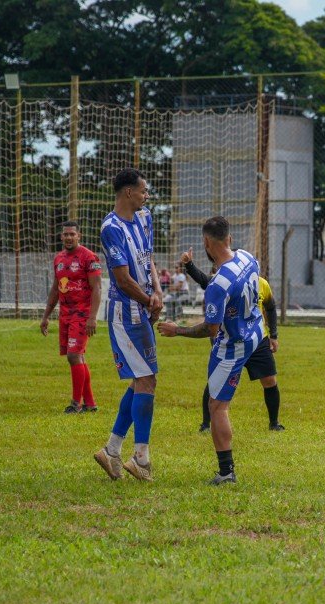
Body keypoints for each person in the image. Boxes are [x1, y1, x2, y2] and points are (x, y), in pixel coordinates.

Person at [158, 216, 263, 485]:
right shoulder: (247, 257)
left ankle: (226, 472)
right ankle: (226, 471)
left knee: (217, 406)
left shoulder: (218, 285)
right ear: (229, 238)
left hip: (233, 346)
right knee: (218, 402)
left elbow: (211, 328)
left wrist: (177, 330)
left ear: (206, 242)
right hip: (255, 331)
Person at [92, 168, 163, 482]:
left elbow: (148, 259)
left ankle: (111, 450)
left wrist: (157, 292)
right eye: (143, 190)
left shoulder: (145, 218)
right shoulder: (111, 228)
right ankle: (141, 458)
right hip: (126, 313)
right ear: (128, 192)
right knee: (146, 380)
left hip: (143, 308)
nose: (146, 196)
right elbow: (122, 279)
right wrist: (149, 301)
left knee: (141, 381)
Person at [180, 247, 284, 433]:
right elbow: (205, 281)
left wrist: (274, 335)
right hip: (231, 340)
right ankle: (206, 424)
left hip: (257, 338)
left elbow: (270, 306)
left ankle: (274, 423)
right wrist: (189, 265)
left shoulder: (261, 283)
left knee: (270, 380)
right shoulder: (226, 281)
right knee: (215, 383)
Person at [40, 221, 102, 414]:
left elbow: (97, 288)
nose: (68, 237)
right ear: (61, 237)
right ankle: (90, 403)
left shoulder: (89, 257)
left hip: (82, 313)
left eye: (72, 234)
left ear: (79, 236)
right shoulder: (58, 258)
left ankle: (76, 404)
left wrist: (92, 317)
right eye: (65, 234)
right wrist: (46, 316)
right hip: (65, 314)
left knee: (73, 355)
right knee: (78, 356)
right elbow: (55, 289)